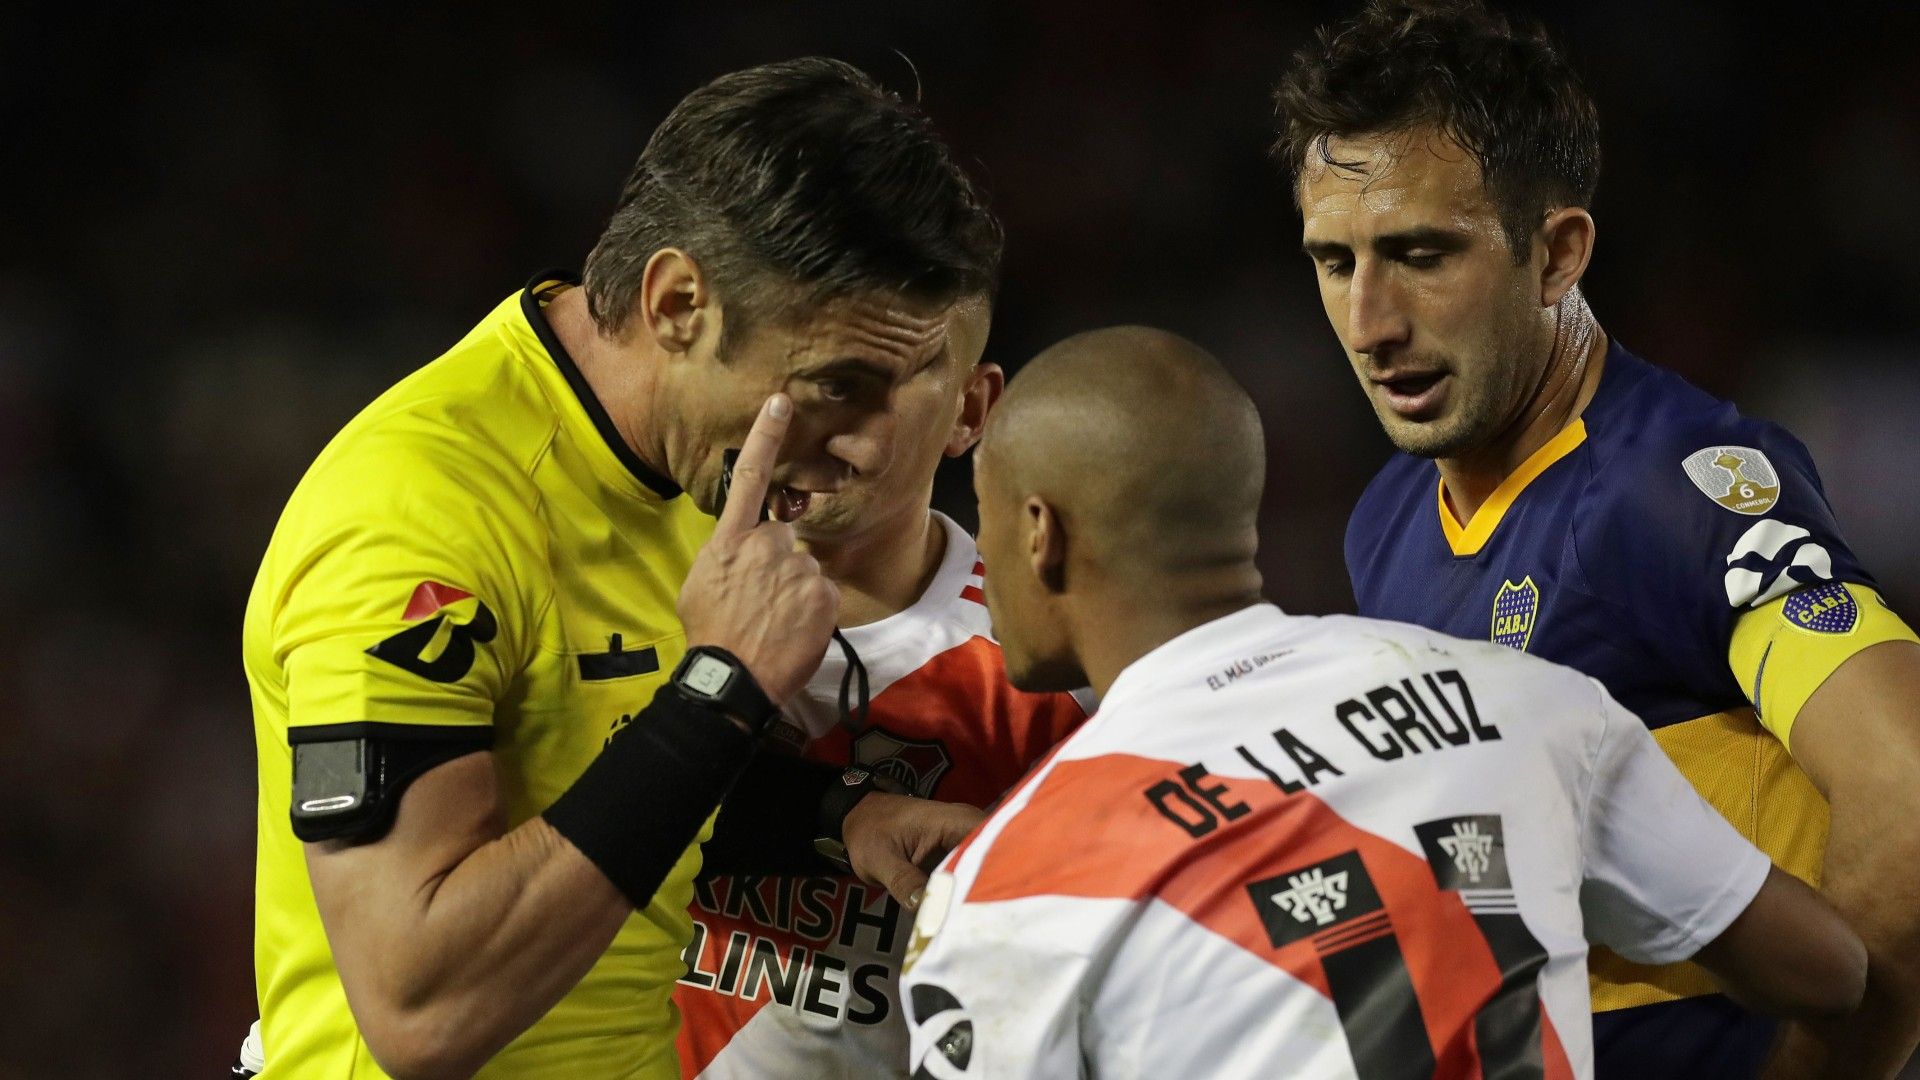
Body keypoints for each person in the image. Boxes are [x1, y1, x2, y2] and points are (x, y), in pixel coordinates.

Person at [245, 59, 1002, 1079]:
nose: (865, 446)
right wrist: (721, 692)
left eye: (899, 389)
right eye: (835, 385)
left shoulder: (687, 462)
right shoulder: (416, 520)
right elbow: (422, 1009)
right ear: (679, 300)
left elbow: (589, 769)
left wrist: (833, 818)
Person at [898, 326, 1866, 1079]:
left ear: (1039, 531)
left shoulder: (1010, 893)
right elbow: (1832, 971)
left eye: (981, 515)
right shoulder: (1527, 701)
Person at [1269, 2, 1920, 1076]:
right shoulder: (1386, 517)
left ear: (1558, 252)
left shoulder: (1672, 495)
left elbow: (1906, 802)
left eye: (1422, 254)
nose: (1370, 322)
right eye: (1335, 262)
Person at [669, 278, 1088, 1074]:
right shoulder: (627, 597)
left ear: (970, 410)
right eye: (798, 380)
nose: (820, 428)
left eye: (870, 387)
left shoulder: (1059, 668)